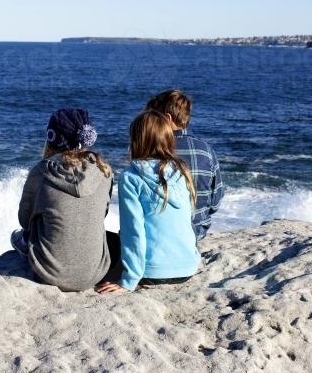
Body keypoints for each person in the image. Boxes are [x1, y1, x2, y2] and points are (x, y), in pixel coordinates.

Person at [96, 110, 200, 294]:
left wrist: (128, 281)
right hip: (188, 267)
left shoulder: (130, 178)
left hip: (153, 272)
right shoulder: (182, 171)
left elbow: (134, 232)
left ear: (136, 140)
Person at [13, 108, 114, 292]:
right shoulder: (104, 170)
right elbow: (103, 213)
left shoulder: (41, 172)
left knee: (24, 231)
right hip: (95, 274)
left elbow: (24, 219)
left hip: (48, 275)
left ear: (52, 138)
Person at [145, 89, 224, 241]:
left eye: (152, 119)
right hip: (196, 234)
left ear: (167, 119)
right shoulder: (207, 150)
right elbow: (215, 202)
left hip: (159, 238)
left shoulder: (153, 151)